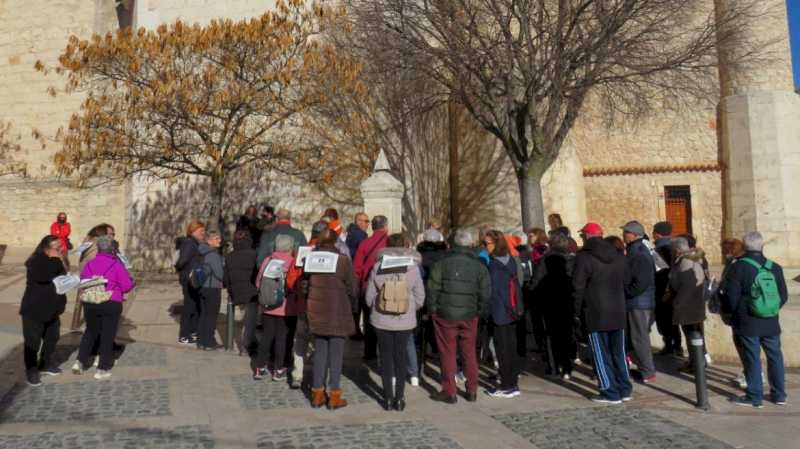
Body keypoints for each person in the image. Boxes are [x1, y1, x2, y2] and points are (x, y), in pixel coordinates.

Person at [720, 232, 788, 408]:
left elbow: (731, 297)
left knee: (752, 358)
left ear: (744, 245)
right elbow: (784, 296)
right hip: (771, 321)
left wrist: (730, 314)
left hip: (747, 321)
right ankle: (779, 395)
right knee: (775, 357)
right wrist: (769, 309)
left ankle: (754, 397)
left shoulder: (738, 267)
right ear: (762, 245)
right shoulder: (775, 267)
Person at [427, 229, 491, 404]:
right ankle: (472, 390)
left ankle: (450, 390)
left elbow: (432, 288)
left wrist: (432, 309)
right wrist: (479, 311)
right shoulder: (479, 265)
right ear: (470, 244)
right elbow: (485, 293)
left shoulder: (442, 263)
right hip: (468, 314)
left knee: (448, 352)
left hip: (446, 314)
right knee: (468, 352)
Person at [364, 233, 425, 411]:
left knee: (386, 357)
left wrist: (374, 307)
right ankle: (400, 397)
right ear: (405, 246)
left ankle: (388, 398)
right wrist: (412, 308)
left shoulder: (378, 266)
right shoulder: (412, 268)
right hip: (405, 319)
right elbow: (420, 295)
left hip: (381, 319)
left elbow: (369, 297)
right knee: (400, 357)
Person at [573, 223, 632, 404]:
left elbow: (577, 287)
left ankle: (609, 392)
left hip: (596, 311)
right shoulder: (618, 254)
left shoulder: (584, 257)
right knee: (619, 353)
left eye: (583, 235)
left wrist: (576, 311)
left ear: (587, 236)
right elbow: (627, 280)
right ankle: (624, 389)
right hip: (618, 309)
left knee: (600, 354)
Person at [301, 228, 358, 409]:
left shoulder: (310, 259)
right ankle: (334, 395)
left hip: (317, 310)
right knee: (336, 354)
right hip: (337, 311)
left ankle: (317, 393)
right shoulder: (342, 261)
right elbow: (352, 288)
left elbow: (303, 285)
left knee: (320, 352)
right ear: (335, 242)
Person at [73, 236, 135, 379]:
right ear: (113, 250)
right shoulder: (117, 265)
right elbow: (126, 287)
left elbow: (83, 281)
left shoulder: (89, 264)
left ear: (98, 249)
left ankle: (79, 361)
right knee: (107, 336)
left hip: (91, 302)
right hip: (111, 302)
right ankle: (102, 369)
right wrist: (132, 281)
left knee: (90, 332)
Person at [20, 235, 68, 386]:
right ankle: (31, 370)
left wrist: (62, 261)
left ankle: (45, 364)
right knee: (32, 342)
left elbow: (62, 276)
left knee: (52, 338)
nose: (60, 249)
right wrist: (57, 259)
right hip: (35, 309)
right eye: (57, 247)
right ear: (47, 247)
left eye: (61, 246)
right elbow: (44, 276)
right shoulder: (35, 261)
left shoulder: (56, 260)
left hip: (52, 308)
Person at [254, 234, 302, 382]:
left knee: (266, 336)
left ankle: (260, 368)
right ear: (291, 247)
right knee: (282, 338)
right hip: (287, 308)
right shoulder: (294, 262)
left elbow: (258, 283)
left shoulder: (268, 260)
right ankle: (278, 370)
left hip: (268, 305)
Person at [483, 230, 524, 398]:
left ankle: (508, 385)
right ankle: (512, 383)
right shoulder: (511, 261)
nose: (485, 247)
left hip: (501, 311)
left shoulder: (494, 265)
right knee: (510, 347)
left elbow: (495, 291)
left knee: (503, 349)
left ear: (495, 244)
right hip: (513, 310)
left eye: (487, 244)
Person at [532, 232, 576, 380]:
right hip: (567, 302)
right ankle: (567, 367)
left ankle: (554, 367)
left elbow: (536, 282)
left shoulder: (546, 260)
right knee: (567, 334)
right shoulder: (572, 260)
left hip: (549, 303)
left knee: (551, 337)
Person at [621, 221, 657, 384]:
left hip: (639, 302)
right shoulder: (634, 249)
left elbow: (642, 281)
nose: (624, 235)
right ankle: (643, 368)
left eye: (626, 232)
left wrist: (628, 293)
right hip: (638, 301)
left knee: (639, 337)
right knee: (637, 336)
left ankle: (647, 372)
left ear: (635, 235)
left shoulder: (639, 252)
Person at [667, 237, 707, 374]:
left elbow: (687, 287)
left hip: (689, 307)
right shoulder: (691, 259)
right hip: (694, 305)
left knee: (693, 338)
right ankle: (695, 363)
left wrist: (677, 304)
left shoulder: (686, 262)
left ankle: (697, 366)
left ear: (677, 250)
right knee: (695, 338)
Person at [353, 215, 389, 360]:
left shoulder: (364, 243)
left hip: (368, 285)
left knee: (368, 321)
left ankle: (370, 352)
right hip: (389, 285)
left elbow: (357, 268)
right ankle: (386, 353)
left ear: (373, 227)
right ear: (385, 227)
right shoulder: (390, 242)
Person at [71, 223, 115, 331]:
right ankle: (93, 328)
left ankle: (76, 323)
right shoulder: (99, 244)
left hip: (85, 272)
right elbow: (98, 260)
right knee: (94, 303)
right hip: (94, 275)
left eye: (113, 234)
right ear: (102, 233)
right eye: (110, 233)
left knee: (82, 300)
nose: (113, 236)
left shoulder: (88, 240)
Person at [224, 230, 259, 356]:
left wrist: (230, 290)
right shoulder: (254, 254)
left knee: (245, 319)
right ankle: (245, 346)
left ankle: (240, 343)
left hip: (236, 292)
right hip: (252, 292)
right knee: (250, 320)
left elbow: (226, 278)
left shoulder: (229, 256)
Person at [652, 221, 682, 356]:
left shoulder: (658, 250)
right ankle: (677, 346)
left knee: (663, 319)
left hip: (661, 289)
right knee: (673, 319)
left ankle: (669, 345)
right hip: (674, 289)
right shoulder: (676, 247)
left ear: (657, 234)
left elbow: (658, 271)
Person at [174, 220, 205, 344]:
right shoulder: (190, 243)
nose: (203, 233)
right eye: (201, 231)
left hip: (193, 279)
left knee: (194, 306)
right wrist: (185, 272)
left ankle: (192, 332)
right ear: (193, 231)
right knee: (189, 307)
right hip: (189, 279)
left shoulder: (193, 243)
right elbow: (182, 261)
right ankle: (184, 335)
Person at [197, 231, 224, 350]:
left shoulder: (202, 251)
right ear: (209, 241)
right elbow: (220, 274)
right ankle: (209, 342)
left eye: (219, 238)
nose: (219, 240)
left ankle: (201, 341)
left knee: (204, 314)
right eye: (216, 238)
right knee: (211, 316)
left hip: (202, 286)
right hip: (212, 288)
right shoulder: (213, 255)